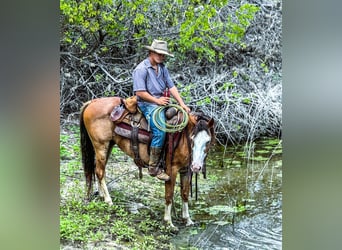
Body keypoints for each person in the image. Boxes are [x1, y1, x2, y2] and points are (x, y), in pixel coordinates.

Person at [132, 39, 191, 181]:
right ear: (151, 52)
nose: (161, 56)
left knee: (181, 118)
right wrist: (157, 101)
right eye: (159, 53)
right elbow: (139, 92)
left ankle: (173, 156)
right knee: (160, 130)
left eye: (163, 55)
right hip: (147, 103)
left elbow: (171, 87)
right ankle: (153, 167)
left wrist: (181, 103)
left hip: (161, 102)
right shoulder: (141, 69)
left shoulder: (162, 68)